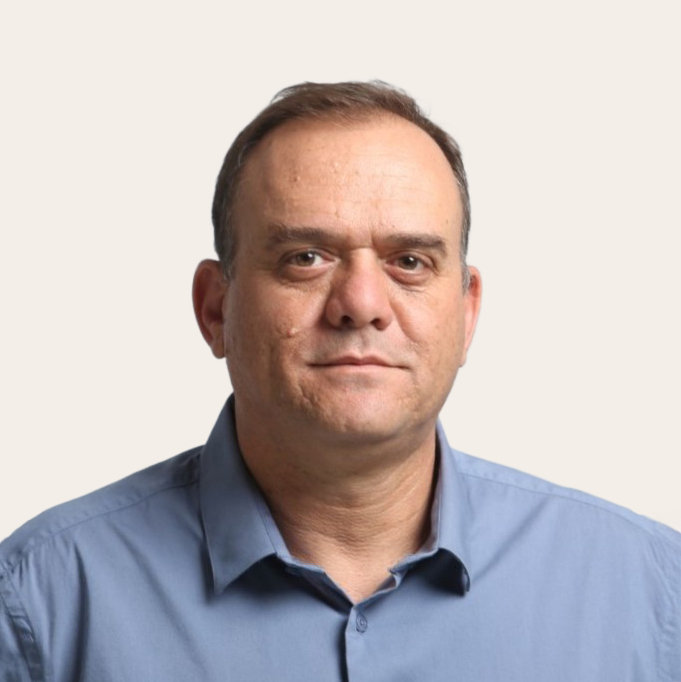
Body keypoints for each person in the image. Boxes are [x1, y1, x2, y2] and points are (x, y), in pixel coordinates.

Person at [1, 81, 679, 681]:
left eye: (409, 261)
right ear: (215, 309)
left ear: (467, 313)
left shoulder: (653, 594)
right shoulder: (39, 600)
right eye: (305, 257)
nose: (361, 303)